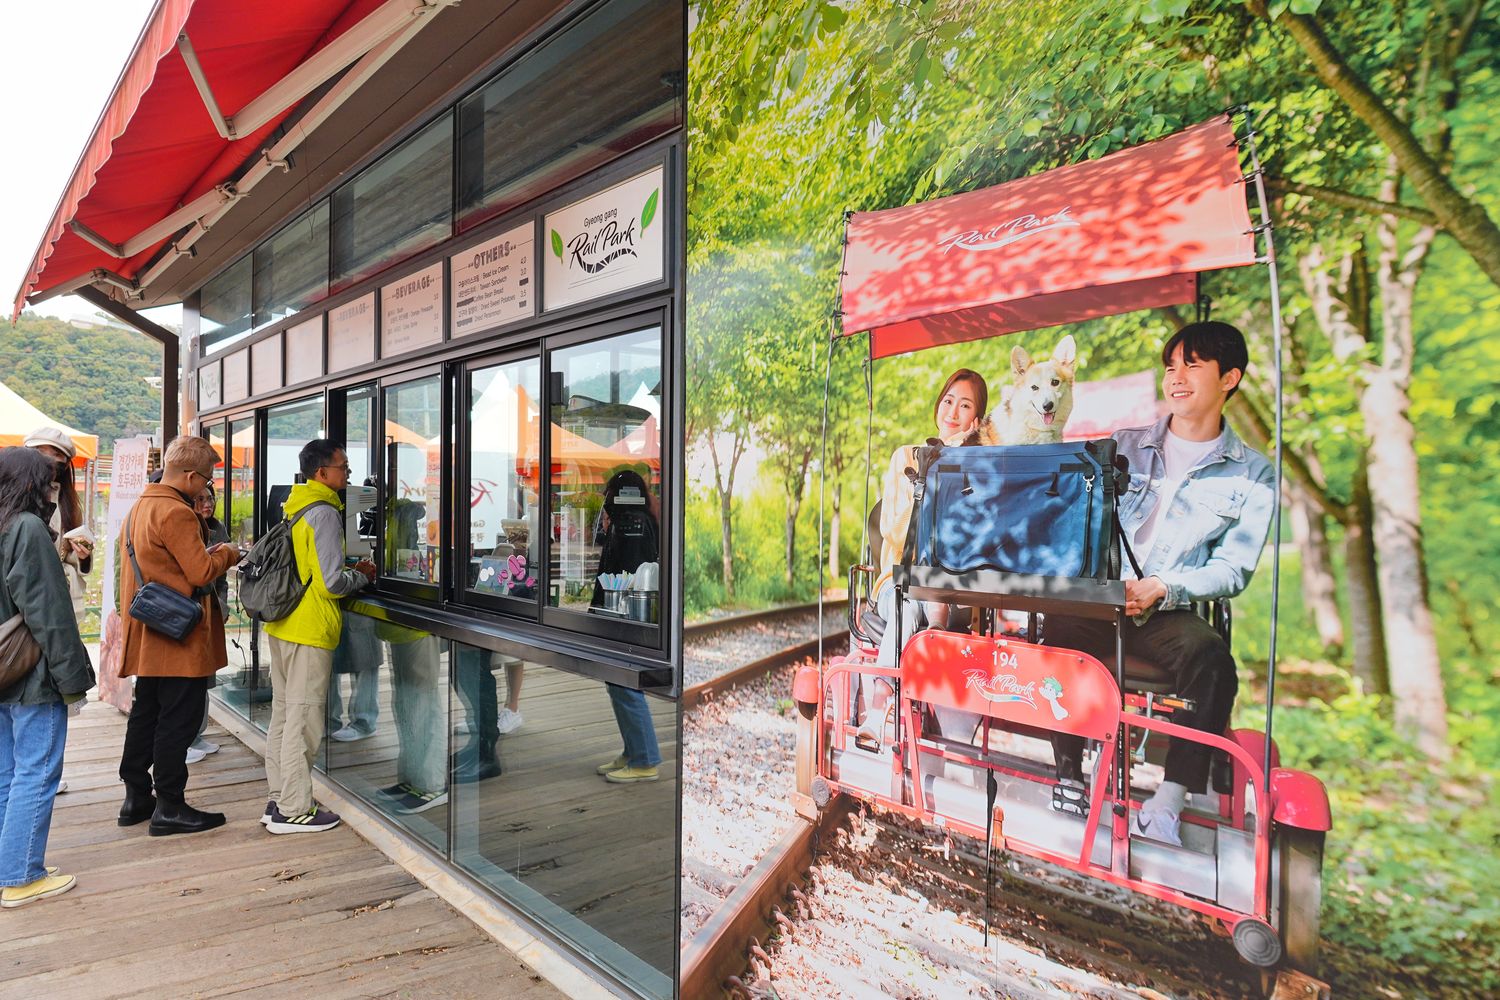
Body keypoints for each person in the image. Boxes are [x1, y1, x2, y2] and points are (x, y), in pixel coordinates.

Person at [1047, 322, 1275, 846]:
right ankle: (1067, 771)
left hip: (1166, 610)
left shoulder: (1252, 474)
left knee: (1214, 662)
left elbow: (1233, 569)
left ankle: (1169, 799)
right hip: (1100, 598)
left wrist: (1164, 586)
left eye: (1192, 365)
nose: (1176, 377)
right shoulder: (1123, 445)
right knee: (1055, 628)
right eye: (1171, 366)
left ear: (1230, 378)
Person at [117, 436, 243, 836]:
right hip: (178, 637)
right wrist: (228, 552)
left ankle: (136, 796)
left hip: (149, 630)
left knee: (146, 713)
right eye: (206, 479)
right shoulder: (177, 513)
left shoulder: (140, 506)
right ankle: (170, 804)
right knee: (179, 720)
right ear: (190, 475)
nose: (207, 487)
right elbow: (201, 573)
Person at [262, 439, 375, 834]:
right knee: (305, 718)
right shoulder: (325, 513)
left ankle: (278, 798)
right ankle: (295, 809)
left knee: (284, 714)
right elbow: (330, 582)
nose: (348, 473)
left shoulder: (294, 504)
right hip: (309, 628)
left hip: (282, 624)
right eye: (343, 467)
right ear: (322, 473)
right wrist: (362, 574)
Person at [0, 447, 96, 907]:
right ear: (33, 485)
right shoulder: (27, 527)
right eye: (49, 481)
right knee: (37, 771)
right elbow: (49, 613)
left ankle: (9, 863)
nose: (52, 489)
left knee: (7, 773)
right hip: (32, 672)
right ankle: (20, 874)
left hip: (2, 668)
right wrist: (73, 681)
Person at [591, 471, 663, 784]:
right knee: (618, 683)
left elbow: (629, 570)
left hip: (627, 615)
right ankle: (633, 751)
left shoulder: (632, 523)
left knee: (625, 684)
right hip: (623, 612)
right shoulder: (636, 520)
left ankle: (645, 759)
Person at [23, 428, 93, 628]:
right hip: (21, 594)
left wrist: (83, 556)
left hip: (58, 598)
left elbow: (67, 553)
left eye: (56, 455)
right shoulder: (13, 495)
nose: (48, 461)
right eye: (41, 452)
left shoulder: (66, 501)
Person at [185, 484, 229, 765]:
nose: (207, 503)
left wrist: (221, 606)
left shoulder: (218, 528)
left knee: (203, 677)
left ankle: (197, 733)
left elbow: (221, 578)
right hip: (188, 612)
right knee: (189, 677)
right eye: (199, 498)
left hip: (211, 609)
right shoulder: (185, 527)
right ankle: (184, 738)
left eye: (210, 498)